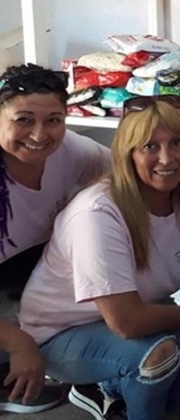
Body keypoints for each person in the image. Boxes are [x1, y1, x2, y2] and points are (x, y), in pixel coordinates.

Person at [18, 95, 180, 420]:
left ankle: (107, 387)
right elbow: (126, 322)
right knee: (158, 359)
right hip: (62, 333)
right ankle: (116, 397)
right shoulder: (98, 212)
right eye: (150, 147)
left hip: (139, 316)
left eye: (177, 142)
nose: (166, 158)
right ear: (128, 155)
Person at [0, 64, 109, 414]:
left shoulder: (71, 151)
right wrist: (19, 346)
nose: (39, 134)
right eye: (23, 120)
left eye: (54, 120)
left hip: (32, 266)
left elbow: (128, 176)